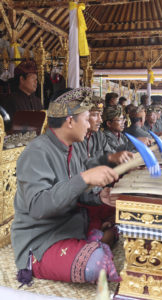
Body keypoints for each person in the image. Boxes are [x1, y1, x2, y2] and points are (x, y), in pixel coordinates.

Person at [11, 88, 121, 286]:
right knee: (97, 264)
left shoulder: (70, 147)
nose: (89, 125)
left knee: (116, 208)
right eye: (87, 119)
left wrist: (99, 197)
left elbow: (74, 193)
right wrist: (84, 178)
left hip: (67, 223)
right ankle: (98, 240)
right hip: (41, 238)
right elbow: (38, 206)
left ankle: (97, 238)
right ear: (70, 121)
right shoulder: (37, 151)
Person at [74, 95, 134, 169]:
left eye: (101, 115)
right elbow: (83, 166)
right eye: (95, 115)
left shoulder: (99, 135)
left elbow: (110, 154)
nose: (100, 120)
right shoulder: (75, 138)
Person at [2, 60, 42, 129]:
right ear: (22, 79)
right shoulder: (11, 100)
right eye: (33, 78)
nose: (36, 82)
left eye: (36, 79)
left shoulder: (37, 101)